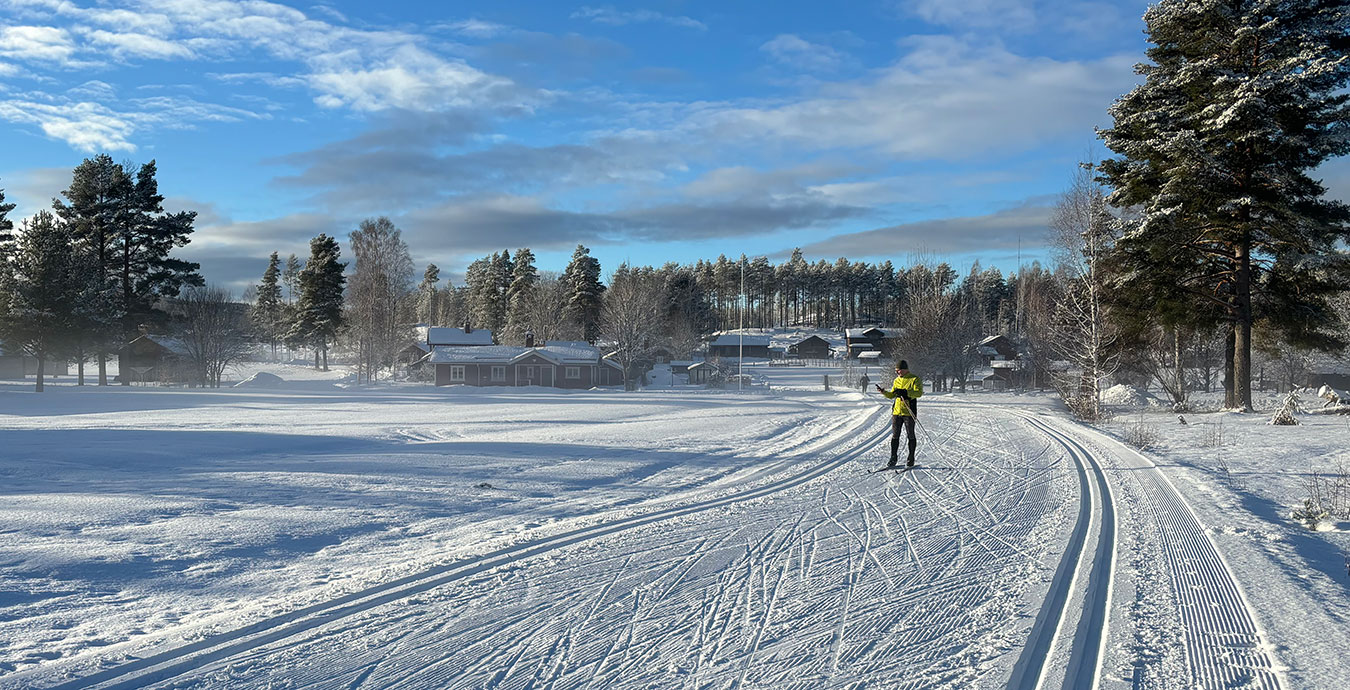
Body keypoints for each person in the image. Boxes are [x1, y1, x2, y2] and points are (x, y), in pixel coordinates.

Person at [875, 360, 923, 467]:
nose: (897, 373)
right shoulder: (896, 380)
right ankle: (893, 458)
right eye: (896, 371)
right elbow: (893, 395)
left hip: (909, 411)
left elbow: (919, 393)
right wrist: (884, 392)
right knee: (895, 435)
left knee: (910, 434)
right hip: (896, 411)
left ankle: (911, 457)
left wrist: (906, 393)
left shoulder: (914, 379)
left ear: (905, 369)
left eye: (899, 370)